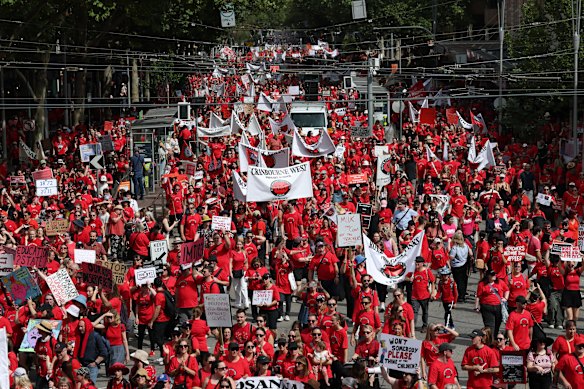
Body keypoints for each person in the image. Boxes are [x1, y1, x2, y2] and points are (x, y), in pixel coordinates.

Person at [475, 269, 509, 335]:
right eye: (492, 275)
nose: (494, 276)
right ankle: (490, 340)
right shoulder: (482, 284)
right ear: (488, 276)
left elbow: (507, 290)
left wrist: (505, 298)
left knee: (497, 324)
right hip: (486, 306)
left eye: (495, 274)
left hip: (498, 306)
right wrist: (476, 306)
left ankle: (495, 338)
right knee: (490, 325)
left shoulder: (500, 282)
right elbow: (478, 296)